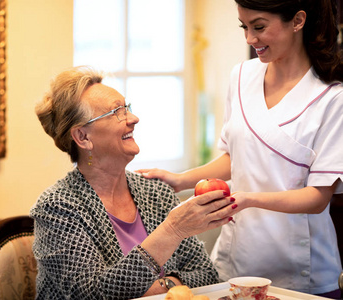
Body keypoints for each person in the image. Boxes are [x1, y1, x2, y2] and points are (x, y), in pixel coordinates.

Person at [138, 0, 343, 298]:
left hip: (302, 270)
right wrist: (180, 179)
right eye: (244, 27)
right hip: (234, 264)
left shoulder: (331, 97)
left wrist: (247, 199)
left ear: (298, 20)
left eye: (259, 27)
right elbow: (235, 157)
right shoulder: (242, 76)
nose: (249, 39)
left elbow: (317, 197)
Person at [30, 66, 237, 299]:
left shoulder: (155, 191)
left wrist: (161, 286)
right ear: (83, 137)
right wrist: (172, 231)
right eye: (116, 112)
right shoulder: (56, 207)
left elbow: (207, 275)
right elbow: (92, 294)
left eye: (126, 108)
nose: (134, 119)